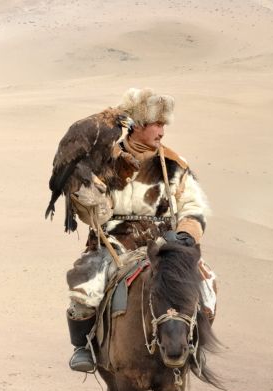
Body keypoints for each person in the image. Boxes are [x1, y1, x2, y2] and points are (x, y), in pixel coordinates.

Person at [64, 87, 216, 372]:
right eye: (157, 124)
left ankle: (194, 344)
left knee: (206, 285)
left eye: (163, 124)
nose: (162, 131)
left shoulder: (174, 163)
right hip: (113, 241)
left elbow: (194, 205)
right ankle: (83, 347)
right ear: (138, 125)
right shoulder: (104, 160)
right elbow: (91, 211)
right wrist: (87, 200)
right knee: (86, 287)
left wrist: (186, 234)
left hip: (164, 244)